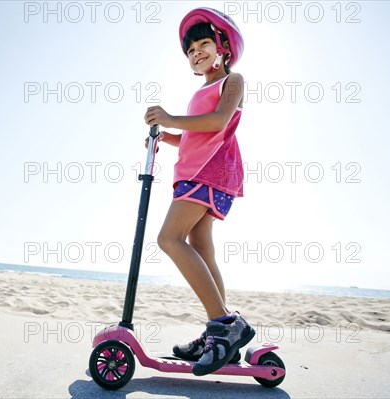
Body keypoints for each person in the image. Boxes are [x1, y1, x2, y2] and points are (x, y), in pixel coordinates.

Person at [144, 7, 254, 376]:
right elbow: (194, 134)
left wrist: (170, 117)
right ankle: (222, 334)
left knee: (169, 238)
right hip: (194, 172)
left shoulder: (232, 81)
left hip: (210, 172)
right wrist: (166, 134)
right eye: (191, 50)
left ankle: (223, 325)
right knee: (201, 246)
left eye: (204, 43)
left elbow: (218, 122)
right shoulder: (200, 90)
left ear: (223, 46)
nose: (197, 52)